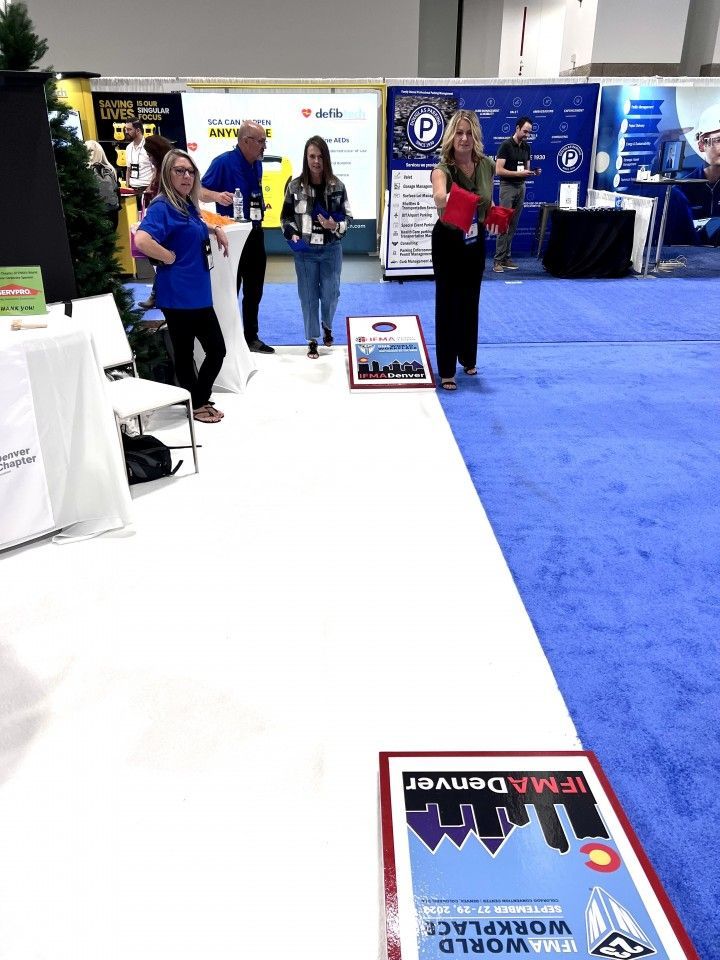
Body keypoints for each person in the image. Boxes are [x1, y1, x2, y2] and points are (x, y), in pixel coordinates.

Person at [133, 149, 230, 424]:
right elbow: (141, 240)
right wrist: (168, 256)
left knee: (215, 350)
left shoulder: (185, 204)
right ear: (167, 174)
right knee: (189, 353)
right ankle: (198, 402)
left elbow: (191, 226)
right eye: (179, 170)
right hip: (178, 294)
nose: (187, 176)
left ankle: (197, 398)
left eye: (190, 171)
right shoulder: (162, 206)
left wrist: (214, 229)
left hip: (197, 291)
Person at [431, 110, 496, 391]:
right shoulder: (442, 168)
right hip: (448, 240)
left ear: (476, 136)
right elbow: (439, 198)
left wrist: (494, 216)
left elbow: (488, 203)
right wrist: (460, 198)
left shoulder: (487, 165)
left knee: (471, 300)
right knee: (448, 304)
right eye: (459, 132)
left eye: (469, 133)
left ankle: (468, 357)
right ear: (451, 136)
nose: (464, 138)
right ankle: (446, 369)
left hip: (474, 239)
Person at [200, 120, 274, 354]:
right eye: (261, 141)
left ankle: (250, 337)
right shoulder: (223, 162)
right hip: (230, 237)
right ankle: (227, 338)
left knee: (255, 289)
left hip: (254, 233)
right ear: (245, 141)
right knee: (231, 288)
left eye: (264, 141)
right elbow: (199, 191)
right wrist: (217, 195)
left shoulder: (257, 164)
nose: (264, 146)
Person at [280, 136, 351, 359]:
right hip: (306, 253)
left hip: (331, 249)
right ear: (306, 158)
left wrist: (335, 225)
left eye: (320, 156)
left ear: (326, 158)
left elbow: (348, 217)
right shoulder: (294, 186)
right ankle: (312, 339)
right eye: (312, 156)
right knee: (308, 297)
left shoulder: (338, 186)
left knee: (331, 294)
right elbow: (285, 218)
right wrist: (292, 234)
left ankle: (327, 325)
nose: (316, 161)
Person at [493, 116, 540, 273]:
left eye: (529, 133)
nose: (527, 135)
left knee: (513, 225)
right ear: (517, 128)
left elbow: (526, 169)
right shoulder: (506, 145)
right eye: (525, 131)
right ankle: (497, 261)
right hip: (507, 187)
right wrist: (517, 174)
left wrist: (533, 172)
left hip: (521, 187)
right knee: (503, 224)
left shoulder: (527, 147)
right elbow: (498, 170)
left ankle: (506, 257)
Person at [137, 134, 173, 310]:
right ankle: (157, 295)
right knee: (161, 263)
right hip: (158, 221)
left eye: (150, 155)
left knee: (165, 261)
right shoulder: (160, 169)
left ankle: (157, 296)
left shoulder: (168, 170)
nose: (148, 158)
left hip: (165, 223)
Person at [85, 139, 119, 230]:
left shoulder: (93, 170)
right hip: (111, 213)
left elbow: (104, 191)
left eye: (90, 150)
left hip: (100, 214)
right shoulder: (109, 169)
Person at [123, 120, 154, 206]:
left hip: (146, 189)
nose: (126, 132)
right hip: (132, 190)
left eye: (129, 129)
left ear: (138, 130)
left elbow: (155, 170)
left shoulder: (149, 146)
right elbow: (128, 169)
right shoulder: (128, 148)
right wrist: (127, 186)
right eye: (126, 129)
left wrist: (149, 187)